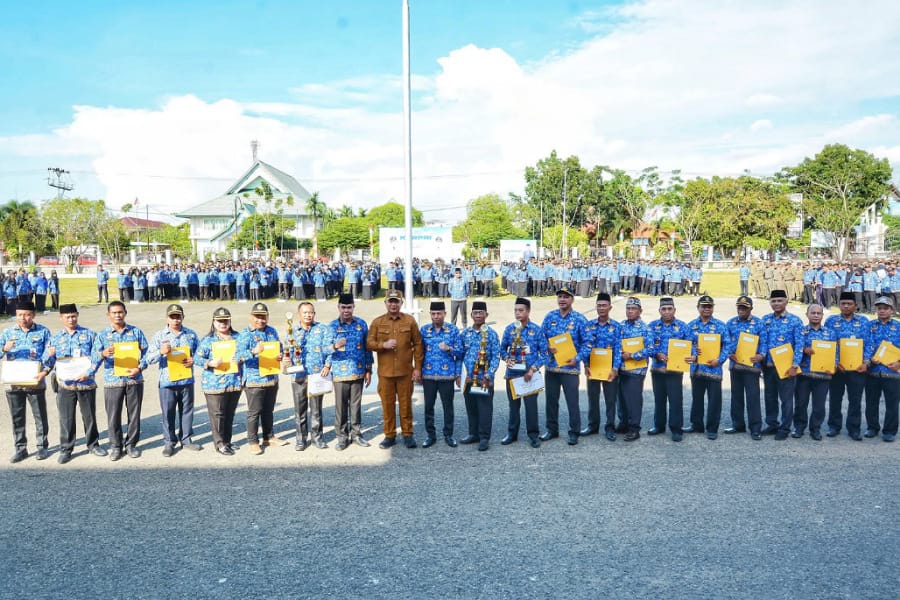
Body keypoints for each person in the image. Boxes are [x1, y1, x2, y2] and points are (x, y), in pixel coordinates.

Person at [45, 303, 107, 463]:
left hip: (86, 382)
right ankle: (66, 448)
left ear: (77, 315)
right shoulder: (55, 338)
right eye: (67, 317)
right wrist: (49, 355)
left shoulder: (90, 335)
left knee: (89, 416)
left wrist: (89, 373)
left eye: (74, 316)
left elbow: (97, 356)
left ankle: (93, 444)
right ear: (61, 318)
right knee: (66, 418)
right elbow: (47, 362)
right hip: (65, 385)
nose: (71, 319)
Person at [367, 289, 423, 449]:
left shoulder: (409, 321)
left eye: (396, 301)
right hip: (386, 373)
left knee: (406, 405)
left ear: (401, 303)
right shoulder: (377, 322)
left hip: (405, 372)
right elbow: (369, 343)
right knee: (387, 405)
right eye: (390, 301)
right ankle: (389, 435)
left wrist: (417, 368)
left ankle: (407, 434)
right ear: (385, 303)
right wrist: (382, 345)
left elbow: (418, 344)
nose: (393, 304)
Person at [145, 304, 202, 457]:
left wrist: (193, 360)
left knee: (187, 411)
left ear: (183, 317)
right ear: (167, 318)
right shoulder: (159, 336)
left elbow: (201, 353)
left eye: (178, 316)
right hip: (167, 382)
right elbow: (148, 359)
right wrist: (161, 352)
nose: (176, 320)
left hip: (186, 380)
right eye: (172, 317)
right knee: (168, 413)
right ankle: (169, 442)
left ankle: (186, 439)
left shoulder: (190, 334)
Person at [1, 301, 52, 462]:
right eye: (20, 315)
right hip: (14, 382)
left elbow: (50, 354)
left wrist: (45, 371)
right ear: (16, 315)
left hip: (35, 381)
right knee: (17, 417)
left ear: (33, 315)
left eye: (27, 314)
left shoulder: (43, 332)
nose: (23, 318)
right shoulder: (7, 332)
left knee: (39, 416)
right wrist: (4, 349)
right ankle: (20, 448)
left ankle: (42, 447)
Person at [98, 301, 149, 460]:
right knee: (113, 415)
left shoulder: (136, 332)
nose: (117, 315)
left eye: (120, 312)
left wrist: (140, 367)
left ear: (125, 313)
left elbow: (148, 353)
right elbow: (93, 357)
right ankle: (116, 446)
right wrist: (103, 354)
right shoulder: (103, 335)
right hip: (113, 380)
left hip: (134, 379)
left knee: (134, 414)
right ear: (108, 315)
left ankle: (131, 444)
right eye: (114, 313)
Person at [540, 287, 588, 445]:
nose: (562, 300)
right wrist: (546, 346)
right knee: (551, 400)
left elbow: (588, 343)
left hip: (570, 368)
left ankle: (574, 431)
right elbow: (541, 337)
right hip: (552, 367)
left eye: (566, 297)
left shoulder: (579, 319)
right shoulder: (550, 316)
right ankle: (551, 430)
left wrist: (578, 358)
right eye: (560, 296)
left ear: (572, 299)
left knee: (572, 401)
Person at [282, 301, 334, 451]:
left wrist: (327, 365)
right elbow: (288, 353)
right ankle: (301, 439)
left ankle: (317, 437)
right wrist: (286, 361)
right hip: (298, 376)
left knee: (316, 409)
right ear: (299, 314)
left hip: (316, 375)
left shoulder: (322, 329)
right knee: (300, 410)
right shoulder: (292, 332)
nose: (307, 315)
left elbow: (329, 349)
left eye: (310, 312)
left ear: (314, 314)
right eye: (304, 312)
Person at [236, 302, 285, 455]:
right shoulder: (245, 334)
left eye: (263, 317)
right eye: (257, 317)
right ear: (251, 317)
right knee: (254, 412)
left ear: (267, 317)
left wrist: (280, 354)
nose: (260, 320)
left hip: (271, 377)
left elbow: (280, 346)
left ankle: (268, 437)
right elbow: (237, 356)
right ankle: (252, 441)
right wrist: (254, 351)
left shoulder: (271, 331)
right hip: (254, 379)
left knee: (268, 410)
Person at [499, 297, 547, 448]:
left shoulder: (536, 330)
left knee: (531, 407)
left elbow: (545, 354)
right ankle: (512, 434)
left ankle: (533, 435)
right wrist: (507, 358)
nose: (518, 313)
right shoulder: (509, 329)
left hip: (529, 376)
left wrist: (533, 369)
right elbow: (501, 349)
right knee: (513, 407)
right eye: (515, 310)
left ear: (528, 311)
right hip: (512, 375)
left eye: (521, 310)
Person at [194, 307, 243, 455]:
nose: (223, 323)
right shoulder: (208, 340)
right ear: (213, 322)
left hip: (234, 381)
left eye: (225, 320)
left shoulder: (238, 337)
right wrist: (209, 363)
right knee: (218, 415)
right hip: (214, 383)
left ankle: (227, 441)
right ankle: (219, 444)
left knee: (229, 413)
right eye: (219, 321)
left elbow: (246, 351)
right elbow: (197, 358)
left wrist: (242, 357)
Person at [328, 293, 373, 449]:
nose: (346, 310)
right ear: (338, 307)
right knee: (340, 407)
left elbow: (368, 349)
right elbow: (323, 349)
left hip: (358, 371)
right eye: (343, 307)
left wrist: (369, 369)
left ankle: (356, 434)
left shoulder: (361, 324)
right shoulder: (332, 326)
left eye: (349, 307)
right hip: (340, 373)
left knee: (356, 405)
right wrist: (335, 346)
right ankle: (342, 437)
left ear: (353, 307)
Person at [685, 295, 732, 440]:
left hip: (714, 370)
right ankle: (696, 425)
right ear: (698, 308)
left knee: (714, 401)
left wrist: (720, 360)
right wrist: (693, 353)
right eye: (703, 306)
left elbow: (728, 345)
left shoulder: (720, 325)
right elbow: (688, 344)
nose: (706, 309)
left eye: (709, 306)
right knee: (697, 399)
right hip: (697, 369)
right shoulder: (691, 325)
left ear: (713, 308)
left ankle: (712, 428)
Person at [825, 291, 868, 440]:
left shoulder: (864, 321)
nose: (846, 306)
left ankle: (854, 428)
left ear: (855, 306)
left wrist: (866, 363)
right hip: (837, 368)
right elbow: (827, 344)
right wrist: (834, 363)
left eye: (849, 304)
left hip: (857, 369)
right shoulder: (831, 321)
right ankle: (834, 426)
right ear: (839, 305)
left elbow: (869, 345)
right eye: (843, 303)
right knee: (835, 398)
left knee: (855, 400)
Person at [761, 290, 803, 440]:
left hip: (786, 368)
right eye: (774, 301)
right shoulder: (765, 320)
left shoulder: (795, 320)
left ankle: (784, 428)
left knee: (786, 399)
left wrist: (795, 365)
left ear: (786, 301)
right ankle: (772, 424)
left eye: (780, 300)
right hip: (769, 366)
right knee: (770, 397)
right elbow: (761, 342)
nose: (776, 303)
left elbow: (799, 344)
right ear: (770, 303)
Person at [419, 300, 463, 448]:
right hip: (429, 375)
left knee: (448, 407)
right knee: (428, 407)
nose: (436, 316)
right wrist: (417, 371)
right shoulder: (424, 330)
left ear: (445, 313)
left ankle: (448, 434)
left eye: (439, 313)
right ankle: (430, 435)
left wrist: (449, 349)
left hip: (447, 376)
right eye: (433, 313)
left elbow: (460, 352)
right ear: (430, 314)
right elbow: (419, 353)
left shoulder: (453, 330)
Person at [725, 295, 767, 440]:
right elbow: (725, 342)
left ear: (751, 309)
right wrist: (729, 353)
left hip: (752, 367)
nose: (741, 310)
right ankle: (738, 424)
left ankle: (755, 428)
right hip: (736, 366)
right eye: (739, 307)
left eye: (744, 308)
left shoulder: (758, 323)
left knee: (752, 398)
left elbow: (764, 342)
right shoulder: (731, 323)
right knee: (736, 397)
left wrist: (761, 355)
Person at [647, 296, 689, 441]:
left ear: (674, 310)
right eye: (663, 309)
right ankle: (659, 426)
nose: (666, 312)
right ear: (659, 311)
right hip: (657, 369)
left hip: (675, 370)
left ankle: (676, 429)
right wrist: (656, 354)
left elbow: (692, 345)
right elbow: (647, 346)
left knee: (675, 400)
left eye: (669, 309)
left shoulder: (682, 326)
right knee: (659, 400)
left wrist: (693, 356)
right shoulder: (652, 326)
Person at [460, 300, 500, 451]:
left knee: (484, 409)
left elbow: (496, 356)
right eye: (475, 313)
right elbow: (460, 355)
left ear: (486, 315)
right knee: (471, 408)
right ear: (471, 315)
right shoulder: (465, 334)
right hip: (469, 379)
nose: (478, 316)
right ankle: (473, 434)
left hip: (484, 380)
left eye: (481, 313)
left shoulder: (491, 334)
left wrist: (489, 375)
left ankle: (484, 438)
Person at [582, 292, 622, 441]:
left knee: (610, 400)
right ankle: (593, 425)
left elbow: (618, 349)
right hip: (593, 368)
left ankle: (610, 427)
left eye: (604, 305)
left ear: (610, 307)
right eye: (599, 306)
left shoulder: (616, 327)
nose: (601, 308)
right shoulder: (589, 326)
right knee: (593, 398)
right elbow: (585, 346)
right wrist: (585, 364)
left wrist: (615, 368)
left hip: (609, 369)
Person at [793, 303, 836, 440]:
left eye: (819, 313)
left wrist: (834, 365)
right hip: (804, 374)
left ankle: (815, 429)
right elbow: (798, 349)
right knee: (801, 403)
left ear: (822, 315)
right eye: (813, 313)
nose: (816, 315)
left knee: (819, 405)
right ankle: (799, 428)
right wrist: (801, 355)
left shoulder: (830, 333)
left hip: (823, 375)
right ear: (807, 315)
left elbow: (836, 352)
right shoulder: (801, 331)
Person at [863, 296, 900, 442]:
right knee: (871, 402)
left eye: (885, 308)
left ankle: (890, 431)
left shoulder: (898, 326)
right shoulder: (870, 326)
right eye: (879, 308)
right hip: (873, 371)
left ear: (892, 310)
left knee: (892, 404)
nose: (882, 311)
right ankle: (872, 427)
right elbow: (866, 345)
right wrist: (868, 360)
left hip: (892, 372)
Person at [617, 296, 653, 441]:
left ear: (640, 311)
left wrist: (632, 355)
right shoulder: (621, 325)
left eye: (633, 309)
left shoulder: (645, 328)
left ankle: (634, 428)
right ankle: (623, 423)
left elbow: (650, 349)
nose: (630, 311)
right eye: (628, 308)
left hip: (637, 369)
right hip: (622, 368)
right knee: (622, 398)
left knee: (633, 399)